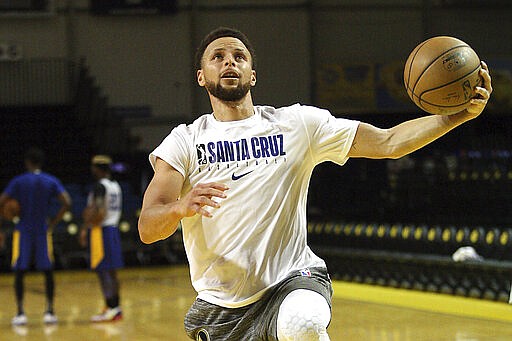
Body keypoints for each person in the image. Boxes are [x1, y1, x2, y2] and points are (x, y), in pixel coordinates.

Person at [138, 27, 492, 341]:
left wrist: (455, 116)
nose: (229, 62)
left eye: (239, 56)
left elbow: (388, 142)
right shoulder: (183, 141)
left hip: (292, 279)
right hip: (222, 304)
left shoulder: (297, 124)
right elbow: (147, 227)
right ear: (202, 76)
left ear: (253, 75)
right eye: (218, 57)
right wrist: (178, 208)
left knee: (303, 323)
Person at [0, 147, 72, 326]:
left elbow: (2, 200)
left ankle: (20, 313)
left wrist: (8, 215)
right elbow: (67, 202)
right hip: (43, 229)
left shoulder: (19, 181)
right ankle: (49, 311)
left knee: (19, 271)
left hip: (23, 230)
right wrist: (54, 222)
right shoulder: (50, 180)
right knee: (47, 271)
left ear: (27, 162)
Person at [80, 155, 124, 322]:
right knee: (112, 272)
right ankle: (115, 307)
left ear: (98, 169)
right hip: (113, 228)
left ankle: (111, 307)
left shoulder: (100, 186)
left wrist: (86, 226)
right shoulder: (115, 185)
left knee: (103, 271)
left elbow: (99, 211)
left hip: (102, 230)